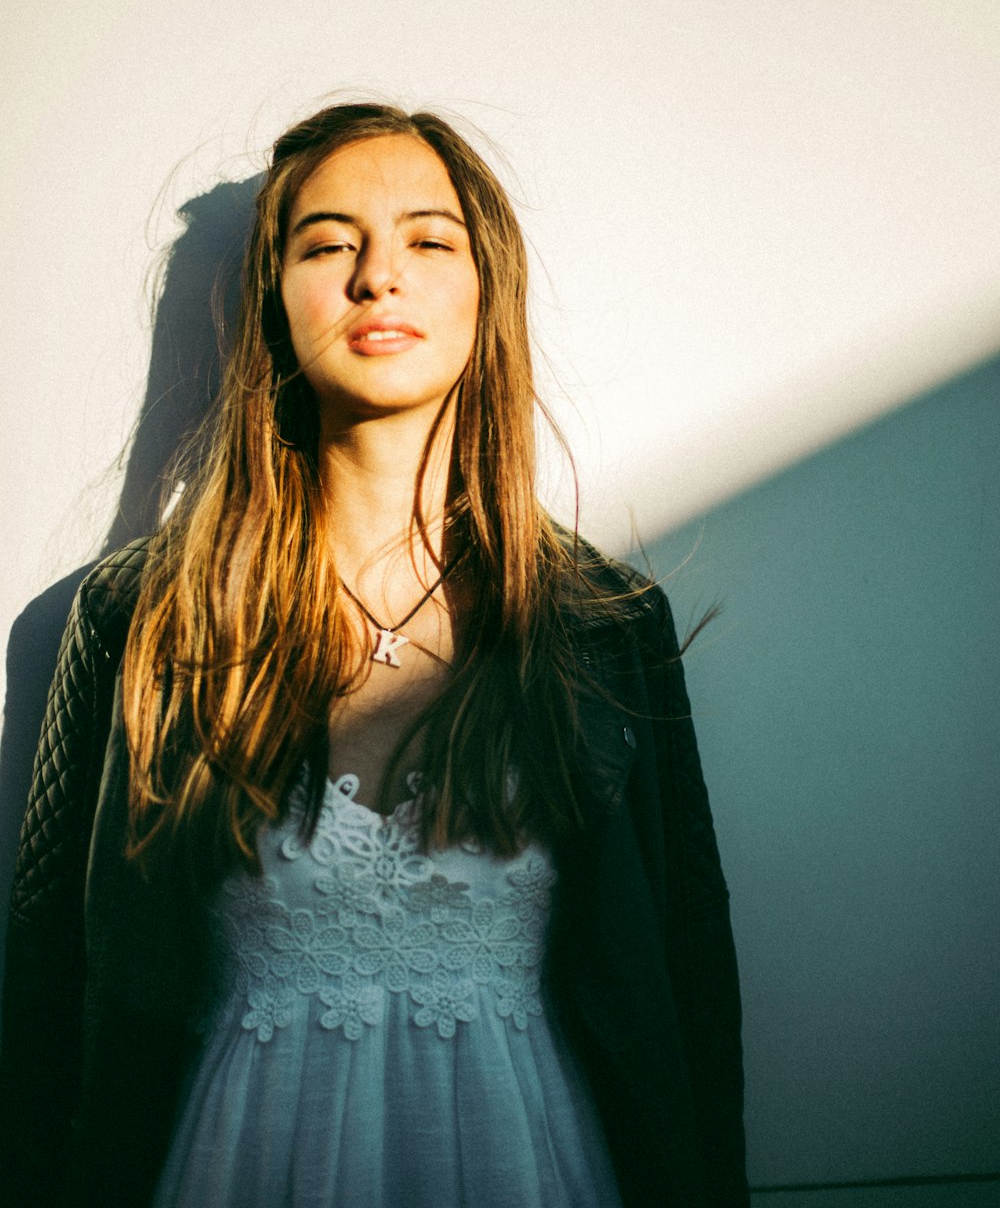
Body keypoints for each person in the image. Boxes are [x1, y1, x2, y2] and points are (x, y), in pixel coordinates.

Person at [0, 102, 748, 1207]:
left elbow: (685, 987)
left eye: (427, 240)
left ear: (486, 290)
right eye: (327, 243)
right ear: (271, 297)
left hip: (532, 1166)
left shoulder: (604, 622)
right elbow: (49, 997)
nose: (376, 277)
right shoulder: (132, 618)